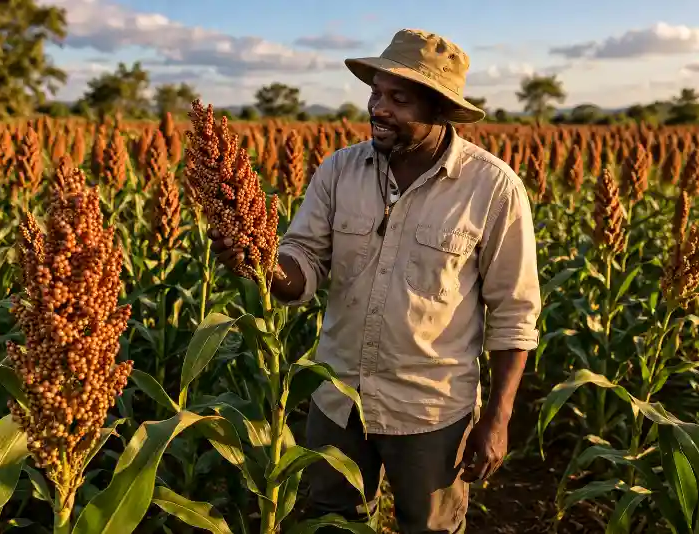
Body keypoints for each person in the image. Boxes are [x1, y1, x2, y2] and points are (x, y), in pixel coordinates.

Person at [209, 28, 541, 534]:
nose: (377, 108)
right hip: (337, 396)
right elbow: (303, 261)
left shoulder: (493, 188)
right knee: (330, 523)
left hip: (430, 409)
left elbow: (515, 314)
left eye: (397, 99)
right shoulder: (340, 170)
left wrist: (497, 420)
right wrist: (260, 262)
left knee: (428, 528)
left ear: (439, 110)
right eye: (375, 93)